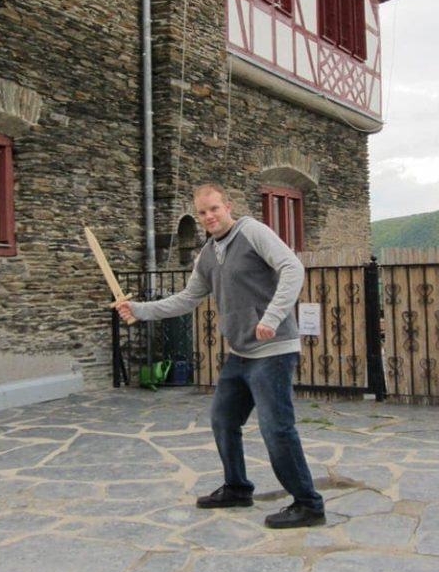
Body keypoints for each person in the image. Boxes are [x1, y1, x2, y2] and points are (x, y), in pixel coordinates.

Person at [114, 183, 325, 529]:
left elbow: (292, 268)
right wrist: (140, 310)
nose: (209, 216)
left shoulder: (252, 231)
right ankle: (237, 488)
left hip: (273, 351)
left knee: (277, 429)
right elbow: (187, 298)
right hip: (239, 354)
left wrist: (271, 317)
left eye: (214, 208)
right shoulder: (208, 255)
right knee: (223, 420)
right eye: (202, 212)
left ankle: (308, 504)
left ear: (228, 206)